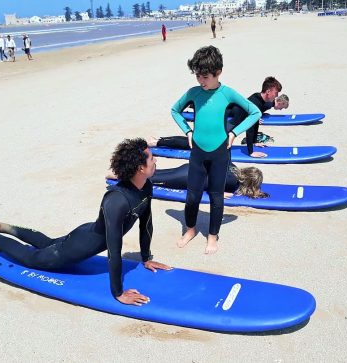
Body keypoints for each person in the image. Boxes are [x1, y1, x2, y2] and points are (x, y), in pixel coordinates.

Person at [0, 138, 172, 306]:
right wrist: (118, 292)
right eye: (152, 158)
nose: (155, 161)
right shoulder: (116, 201)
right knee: (33, 259)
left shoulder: (146, 186)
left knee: (48, 243)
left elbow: (146, 221)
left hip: (86, 234)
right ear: (140, 168)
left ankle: (0, 226)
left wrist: (146, 257)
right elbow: (114, 249)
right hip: (80, 246)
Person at [170, 46, 261, 254]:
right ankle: (190, 229)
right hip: (198, 152)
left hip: (220, 151)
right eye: (198, 76)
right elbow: (175, 110)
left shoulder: (227, 93)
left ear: (218, 72)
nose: (200, 81)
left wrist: (234, 132)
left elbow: (254, 112)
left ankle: (212, 236)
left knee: (216, 196)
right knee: (192, 195)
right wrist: (187, 131)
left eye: (204, 77)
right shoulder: (193, 93)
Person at [107, 162, 269, 200]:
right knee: (153, 179)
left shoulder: (233, 168)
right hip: (187, 178)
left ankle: (120, 171)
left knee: (159, 173)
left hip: (189, 168)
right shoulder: (233, 183)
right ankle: (115, 175)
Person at [228, 76, 282, 158]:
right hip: (234, 116)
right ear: (268, 91)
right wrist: (251, 152)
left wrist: (254, 141)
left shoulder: (260, 98)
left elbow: (256, 121)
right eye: (276, 93)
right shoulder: (256, 103)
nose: (276, 96)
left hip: (237, 111)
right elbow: (250, 129)